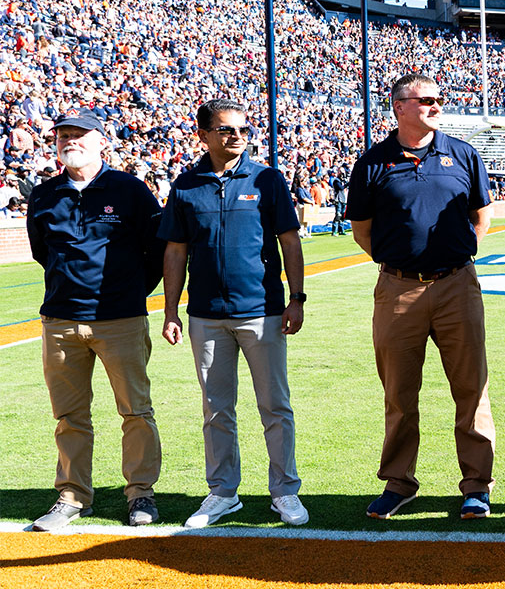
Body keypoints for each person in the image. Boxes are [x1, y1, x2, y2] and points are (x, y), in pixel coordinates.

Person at [347, 73, 496, 521]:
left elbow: (481, 217)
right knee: (398, 392)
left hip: (456, 285)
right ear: (399, 107)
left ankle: (476, 485)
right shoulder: (373, 161)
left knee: (472, 389)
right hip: (397, 289)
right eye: (425, 100)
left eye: (437, 99)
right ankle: (399, 482)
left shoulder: (463, 154)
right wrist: (402, 265)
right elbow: (362, 230)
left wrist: (448, 258)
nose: (436, 105)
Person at [158, 99, 309, 528]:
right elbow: (175, 250)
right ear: (203, 135)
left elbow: (289, 241)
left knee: (275, 406)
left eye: (243, 128)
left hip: (261, 312)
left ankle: (284, 491)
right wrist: (171, 309)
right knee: (216, 408)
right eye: (225, 129)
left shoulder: (268, 179)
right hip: (205, 314)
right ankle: (223, 492)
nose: (237, 135)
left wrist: (296, 298)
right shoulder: (186, 186)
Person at [24, 111, 164, 531]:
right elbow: (41, 251)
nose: (70, 141)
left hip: (120, 319)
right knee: (69, 416)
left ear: (102, 140)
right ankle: (71, 496)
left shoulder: (130, 190)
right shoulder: (44, 194)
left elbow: (155, 252)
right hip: (61, 321)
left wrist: (128, 294)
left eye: (79, 135)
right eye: (64, 135)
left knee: (136, 411)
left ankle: (141, 493)